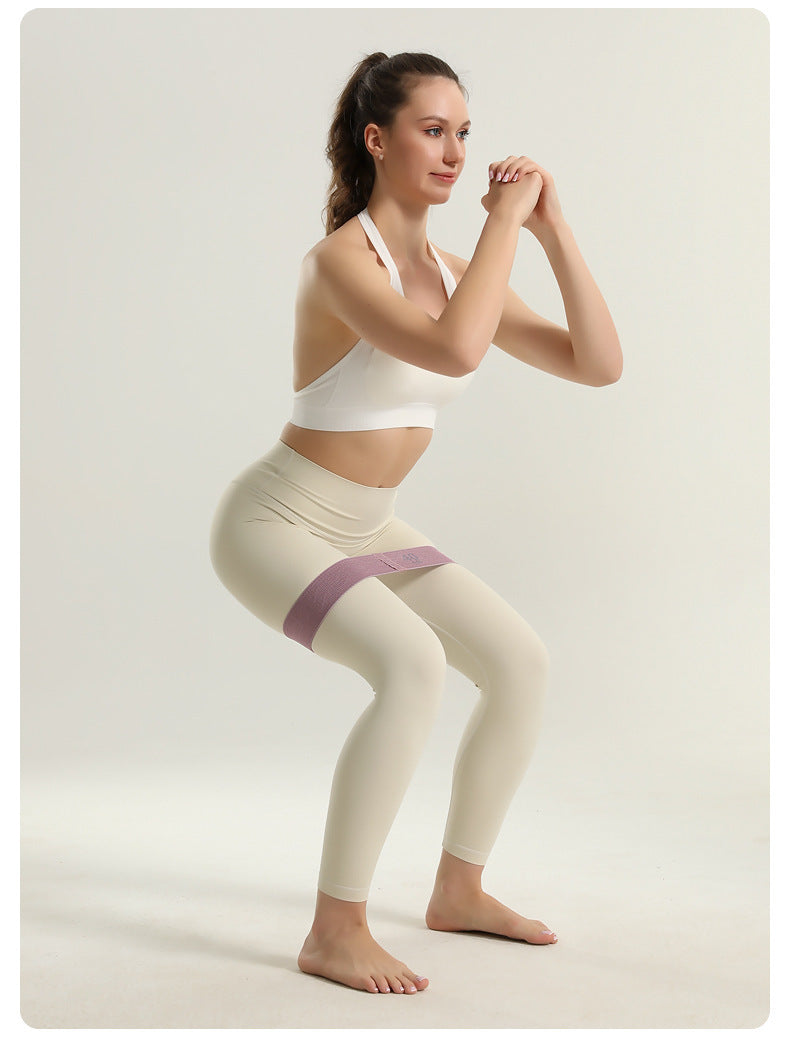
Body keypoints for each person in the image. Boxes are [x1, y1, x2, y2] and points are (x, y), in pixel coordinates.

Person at [209, 50, 622, 996]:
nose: (455, 152)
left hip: (368, 523)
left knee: (519, 663)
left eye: (464, 132)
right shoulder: (338, 263)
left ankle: (459, 889)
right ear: (376, 139)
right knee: (411, 665)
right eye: (433, 130)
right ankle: (335, 929)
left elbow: (597, 364)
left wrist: (553, 232)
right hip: (275, 522)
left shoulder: (453, 268)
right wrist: (504, 224)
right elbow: (454, 347)